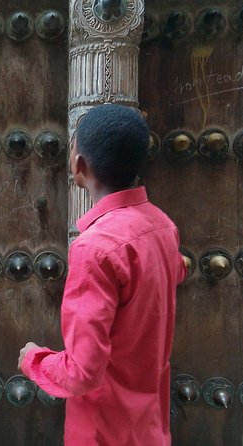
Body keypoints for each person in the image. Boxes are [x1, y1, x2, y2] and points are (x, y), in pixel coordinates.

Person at [17, 104, 187, 445]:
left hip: (104, 433)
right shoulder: (163, 227)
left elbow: (83, 372)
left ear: (79, 167)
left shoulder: (94, 249)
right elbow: (171, 271)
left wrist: (34, 360)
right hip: (149, 429)